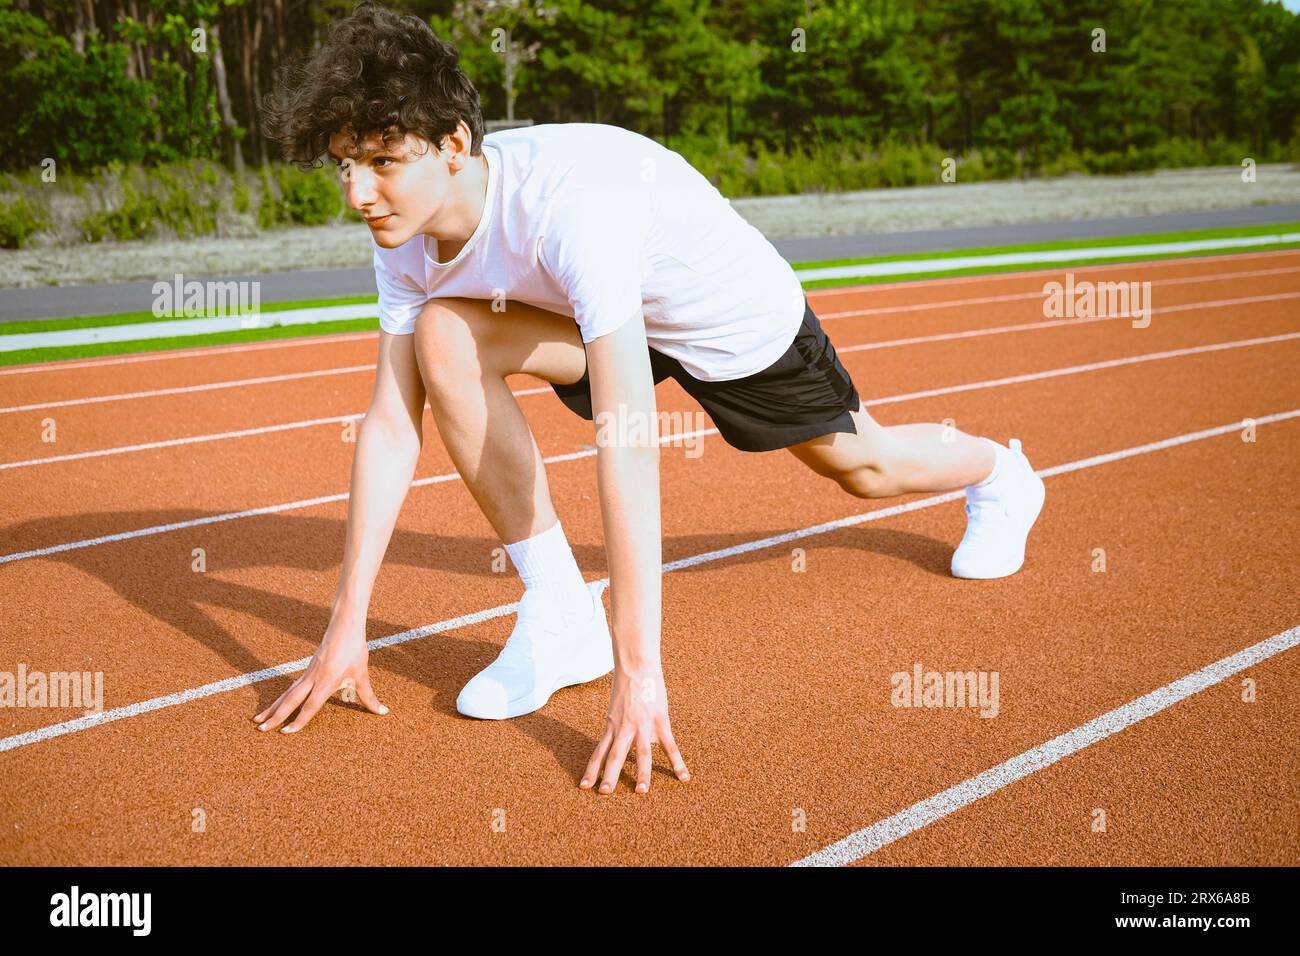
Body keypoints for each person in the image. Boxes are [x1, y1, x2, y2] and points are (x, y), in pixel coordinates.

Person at [252, 1, 1045, 795]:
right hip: (591, 314)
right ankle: (562, 614)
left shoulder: (571, 209)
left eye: (381, 162)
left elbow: (628, 436)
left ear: (454, 144)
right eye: (342, 164)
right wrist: (345, 626)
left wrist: (642, 673)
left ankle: (999, 474)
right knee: (443, 335)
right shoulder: (406, 235)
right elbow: (392, 424)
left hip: (725, 316)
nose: (357, 191)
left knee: (865, 467)